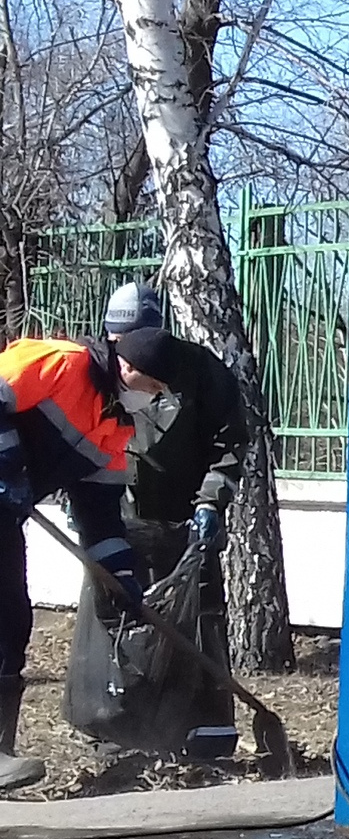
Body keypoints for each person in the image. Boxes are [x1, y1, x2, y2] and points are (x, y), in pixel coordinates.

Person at [65, 284, 250, 757]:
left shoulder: (204, 374)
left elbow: (229, 448)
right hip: (118, 520)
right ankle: (120, 728)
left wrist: (210, 503)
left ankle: (204, 729)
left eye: (133, 342)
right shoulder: (92, 373)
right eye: (115, 340)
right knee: (119, 622)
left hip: (187, 524)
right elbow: (73, 439)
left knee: (199, 620)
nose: (125, 359)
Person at [0, 331, 163, 793]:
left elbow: (99, 517)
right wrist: (8, 466)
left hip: (5, 510)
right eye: (152, 388)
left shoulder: (114, 426)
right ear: (129, 368)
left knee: (11, 620)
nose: (150, 400)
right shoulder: (61, 363)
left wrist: (123, 579)